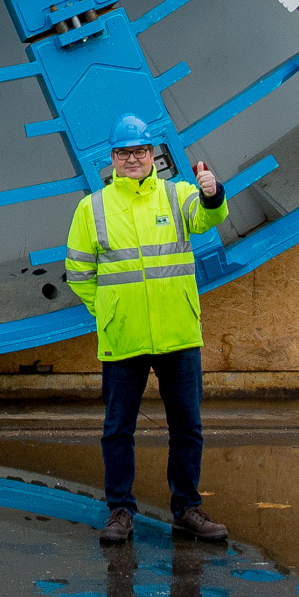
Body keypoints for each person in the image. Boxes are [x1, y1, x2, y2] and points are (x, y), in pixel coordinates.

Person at [64, 115, 229, 547]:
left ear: (152, 155)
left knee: (187, 427)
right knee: (118, 429)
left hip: (178, 334)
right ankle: (120, 510)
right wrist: (109, 312)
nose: (133, 159)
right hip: (125, 337)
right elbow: (78, 273)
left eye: (140, 152)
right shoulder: (92, 207)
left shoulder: (178, 196)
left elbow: (207, 217)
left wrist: (213, 194)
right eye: (125, 153)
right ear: (113, 159)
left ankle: (186, 509)